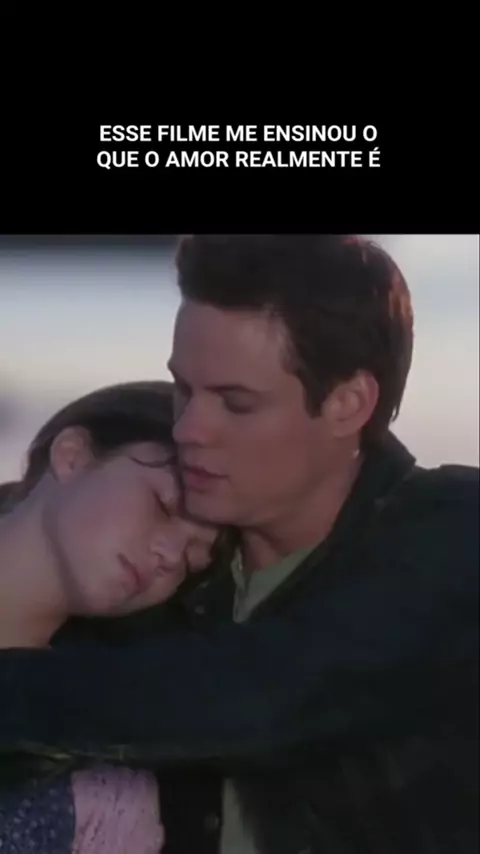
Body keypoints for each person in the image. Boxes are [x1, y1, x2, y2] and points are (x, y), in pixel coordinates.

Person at [0, 235, 478, 854]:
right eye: (184, 389)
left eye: (236, 403)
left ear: (347, 404)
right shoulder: (174, 575)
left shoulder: (448, 532)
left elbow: (262, 693)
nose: (188, 428)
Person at [0, 379, 219, 853]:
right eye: (163, 506)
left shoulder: (107, 789)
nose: (169, 556)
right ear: (72, 455)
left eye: (191, 561)